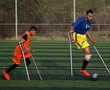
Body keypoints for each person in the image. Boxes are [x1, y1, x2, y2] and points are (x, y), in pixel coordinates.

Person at [70, 9, 96, 77]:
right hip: (77, 36)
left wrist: (92, 40)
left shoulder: (89, 22)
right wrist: (71, 38)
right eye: (89, 16)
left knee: (89, 55)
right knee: (88, 53)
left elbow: (86, 31)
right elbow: (72, 26)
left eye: (92, 16)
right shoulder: (81, 20)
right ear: (86, 15)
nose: (91, 18)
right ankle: (83, 69)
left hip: (83, 37)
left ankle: (83, 69)